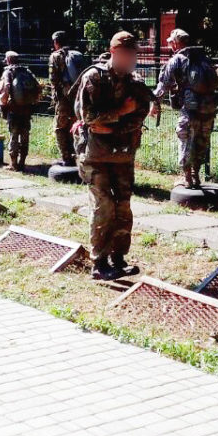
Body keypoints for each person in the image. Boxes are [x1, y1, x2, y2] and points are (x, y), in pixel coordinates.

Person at [75, 31, 155, 281]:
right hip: (95, 155)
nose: (131, 59)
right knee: (103, 207)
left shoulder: (136, 82)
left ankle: (118, 259)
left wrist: (112, 125)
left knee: (123, 207)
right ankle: (98, 263)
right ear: (113, 52)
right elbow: (87, 117)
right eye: (126, 54)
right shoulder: (94, 77)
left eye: (134, 54)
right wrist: (122, 111)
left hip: (122, 154)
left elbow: (140, 114)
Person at [152, 28, 218, 187]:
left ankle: (187, 178)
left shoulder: (177, 60)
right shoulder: (204, 59)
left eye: (170, 43)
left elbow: (163, 85)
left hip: (190, 111)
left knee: (186, 142)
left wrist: (154, 103)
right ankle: (196, 175)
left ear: (175, 43)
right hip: (209, 110)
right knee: (202, 143)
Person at [48, 30, 88, 167]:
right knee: (77, 126)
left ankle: (66, 157)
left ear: (56, 42)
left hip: (64, 99)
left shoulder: (55, 56)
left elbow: (53, 79)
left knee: (59, 128)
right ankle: (81, 155)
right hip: (79, 98)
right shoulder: (77, 54)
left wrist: (55, 96)